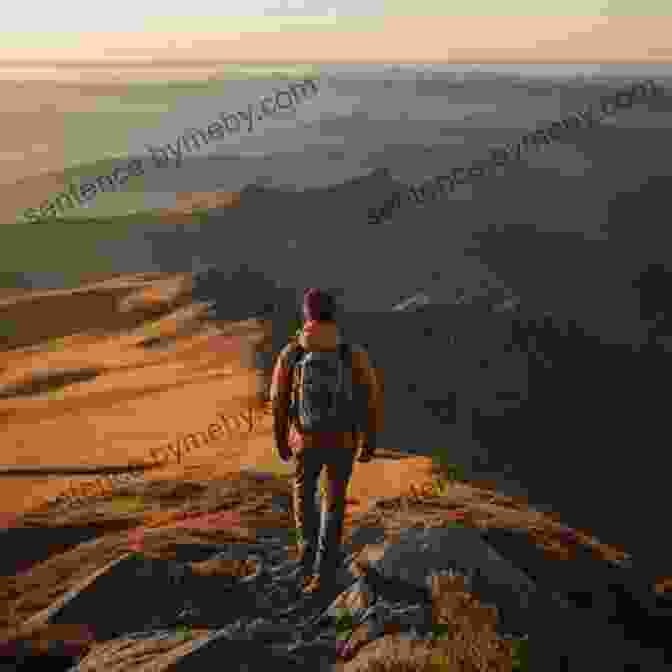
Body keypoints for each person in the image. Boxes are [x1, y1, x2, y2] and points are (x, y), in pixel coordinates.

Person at [270, 288, 382, 594]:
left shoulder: (292, 353)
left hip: (305, 441)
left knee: (303, 494)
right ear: (334, 315)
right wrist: (369, 441)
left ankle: (306, 558)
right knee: (333, 502)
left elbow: (279, 400)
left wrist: (281, 440)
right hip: (343, 441)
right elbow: (370, 398)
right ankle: (325, 571)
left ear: (306, 315)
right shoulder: (350, 352)